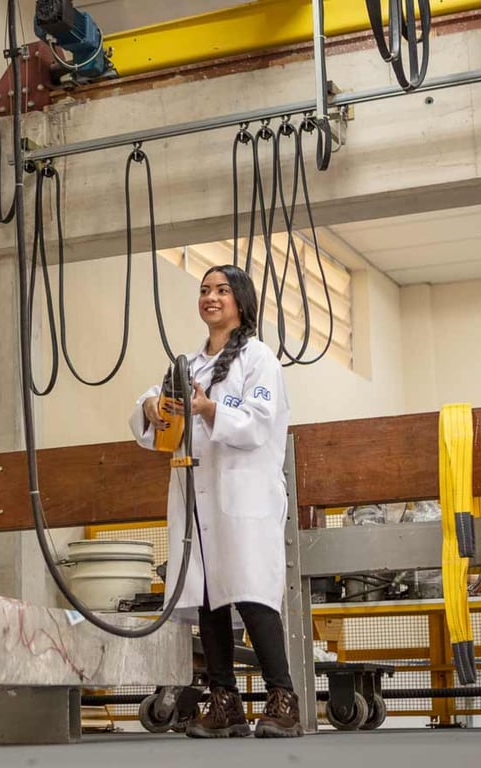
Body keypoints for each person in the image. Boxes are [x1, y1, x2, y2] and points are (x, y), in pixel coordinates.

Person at [129, 264, 300, 738]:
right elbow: (152, 404)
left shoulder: (260, 359)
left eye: (222, 290)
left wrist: (209, 409)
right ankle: (224, 702)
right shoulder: (187, 363)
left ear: (241, 302)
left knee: (251, 594)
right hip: (196, 497)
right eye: (204, 290)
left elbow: (260, 421)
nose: (211, 297)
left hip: (242, 492)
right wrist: (150, 406)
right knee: (207, 598)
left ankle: (283, 700)